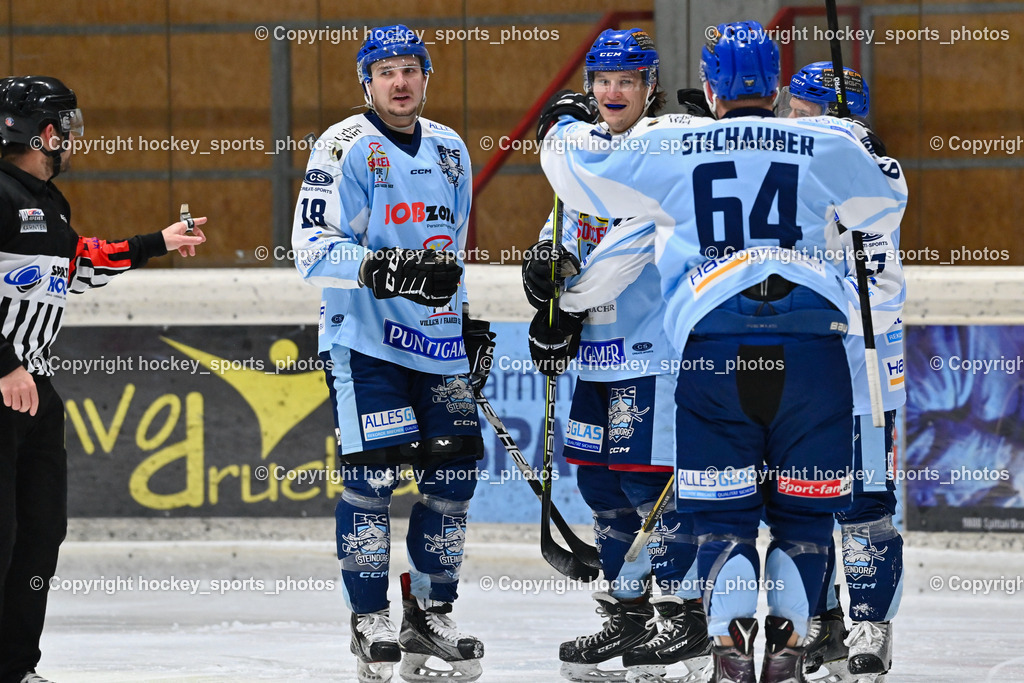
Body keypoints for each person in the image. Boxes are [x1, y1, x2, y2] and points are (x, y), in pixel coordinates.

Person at [536, 20, 907, 683]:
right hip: (813, 353)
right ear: (776, 84)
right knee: (804, 522)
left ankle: (733, 658)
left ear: (708, 89)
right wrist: (850, 146)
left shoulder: (675, 143)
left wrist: (559, 130)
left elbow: (579, 177)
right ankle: (788, 655)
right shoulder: (822, 141)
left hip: (714, 351)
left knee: (723, 523)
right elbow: (884, 204)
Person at [291, 25, 494, 683]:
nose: (400, 82)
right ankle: (369, 616)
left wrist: (461, 321)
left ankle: (429, 613)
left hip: (437, 345)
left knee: (454, 476)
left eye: (411, 69)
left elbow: (452, 248)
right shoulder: (343, 146)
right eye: (386, 72)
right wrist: (393, 269)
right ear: (367, 81)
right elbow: (312, 248)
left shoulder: (451, 149)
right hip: (366, 342)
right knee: (373, 477)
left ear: (426, 78)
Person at [0, 76, 206, 683]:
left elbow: (77, 265)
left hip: (32, 387)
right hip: (7, 382)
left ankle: (13, 667)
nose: (71, 135)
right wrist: (4, 363)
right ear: (43, 132)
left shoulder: (46, 200)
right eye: (64, 123)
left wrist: (156, 243)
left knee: (38, 534)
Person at [524, 28, 712, 683]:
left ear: (649, 88)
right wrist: (541, 270)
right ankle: (629, 611)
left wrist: (563, 294)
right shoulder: (581, 152)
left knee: (645, 484)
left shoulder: (659, 154)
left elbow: (618, 261)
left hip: (648, 353)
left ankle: (683, 616)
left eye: (626, 81)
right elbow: (561, 230)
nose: (612, 91)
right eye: (602, 81)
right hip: (594, 359)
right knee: (600, 485)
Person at [784, 62, 907, 683]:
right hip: (805, 360)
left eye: (810, 119)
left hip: (863, 364)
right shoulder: (785, 175)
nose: (796, 128)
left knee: (864, 503)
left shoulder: (874, 173)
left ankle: (870, 626)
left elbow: (880, 285)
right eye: (796, 117)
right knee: (802, 504)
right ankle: (822, 622)